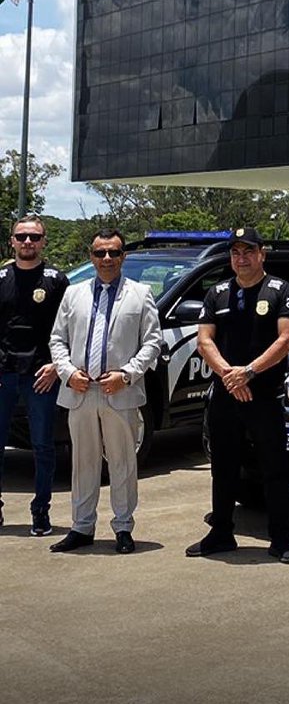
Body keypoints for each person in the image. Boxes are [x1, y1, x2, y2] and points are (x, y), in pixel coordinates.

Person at [187, 225, 289, 563]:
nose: (242, 258)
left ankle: (282, 539)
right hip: (226, 392)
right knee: (223, 466)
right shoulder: (218, 292)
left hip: (263, 394)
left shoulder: (281, 290)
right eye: (236, 252)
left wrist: (248, 372)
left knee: (274, 468)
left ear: (261, 254)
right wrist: (228, 374)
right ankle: (221, 532)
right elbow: (204, 339)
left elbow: (286, 340)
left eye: (248, 251)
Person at [48, 228, 161, 553]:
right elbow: (58, 338)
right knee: (83, 463)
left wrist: (126, 375)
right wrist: (68, 373)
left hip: (119, 391)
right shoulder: (74, 294)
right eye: (100, 253)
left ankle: (123, 528)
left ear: (123, 256)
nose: (107, 259)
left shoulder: (140, 294)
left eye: (113, 252)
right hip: (81, 391)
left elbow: (152, 342)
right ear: (91, 256)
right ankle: (82, 527)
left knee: (122, 462)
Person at [0, 216, 70, 535]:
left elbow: (69, 329)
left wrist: (57, 366)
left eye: (34, 237)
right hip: (4, 373)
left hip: (41, 373)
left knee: (42, 445)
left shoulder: (57, 280)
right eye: (22, 236)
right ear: (12, 240)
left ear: (43, 241)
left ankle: (40, 510)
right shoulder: (1, 277)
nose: (28, 242)